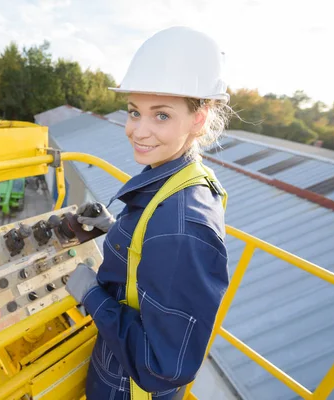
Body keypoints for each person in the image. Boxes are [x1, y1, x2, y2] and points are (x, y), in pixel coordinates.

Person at [64, 26, 231, 400]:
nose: (137, 131)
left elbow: (161, 365)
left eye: (161, 116)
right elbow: (157, 261)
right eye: (134, 112)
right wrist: (114, 230)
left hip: (126, 387)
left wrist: (91, 294)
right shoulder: (184, 176)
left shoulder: (184, 226)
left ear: (199, 119)